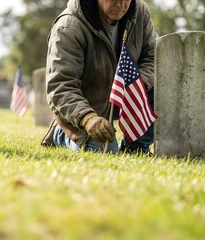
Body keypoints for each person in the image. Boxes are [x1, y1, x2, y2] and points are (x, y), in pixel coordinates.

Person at [41, 0, 157, 154]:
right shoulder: (68, 27)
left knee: (164, 85)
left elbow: (152, 58)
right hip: (86, 109)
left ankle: (136, 146)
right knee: (103, 150)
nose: (121, 4)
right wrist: (87, 118)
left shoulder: (140, 12)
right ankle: (60, 134)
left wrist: (136, 85)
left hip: (125, 96)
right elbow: (61, 86)